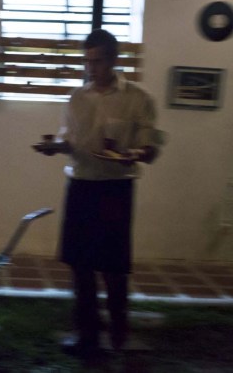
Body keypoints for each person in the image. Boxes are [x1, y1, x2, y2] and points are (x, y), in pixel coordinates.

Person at [33, 29, 161, 357]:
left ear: (114, 60)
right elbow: (69, 140)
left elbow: (151, 145)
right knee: (79, 265)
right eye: (87, 61)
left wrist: (137, 153)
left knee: (114, 267)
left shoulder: (138, 98)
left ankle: (119, 333)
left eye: (98, 61)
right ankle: (87, 335)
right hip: (81, 187)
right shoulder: (77, 98)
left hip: (116, 188)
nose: (91, 68)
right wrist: (55, 147)